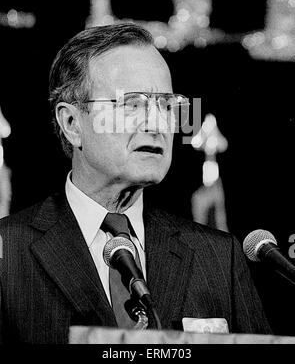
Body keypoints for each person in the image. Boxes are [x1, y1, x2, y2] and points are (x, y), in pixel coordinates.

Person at [0, 23, 271, 343]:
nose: (157, 123)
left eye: (167, 106)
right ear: (72, 124)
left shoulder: (217, 257)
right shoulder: (8, 253)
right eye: (132, 104)